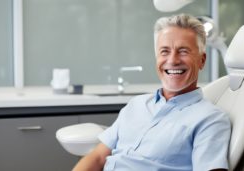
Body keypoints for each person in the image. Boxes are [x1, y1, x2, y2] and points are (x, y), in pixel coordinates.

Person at [73, 13, 231, 171]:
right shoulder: (136, 105)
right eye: (164, 51)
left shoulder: (210, 119)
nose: (173, 60)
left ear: (202, 60)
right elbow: (98, 157)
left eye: (183, 51)